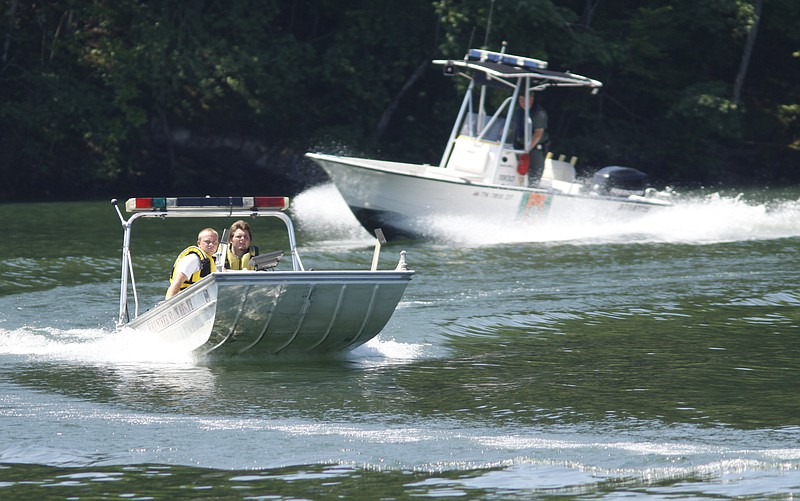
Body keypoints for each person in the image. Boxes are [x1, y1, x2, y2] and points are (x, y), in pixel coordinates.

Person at [165, 228, 219, 299]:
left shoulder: (214, 260)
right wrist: (169, 303)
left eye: (214, 242)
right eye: (207, 242)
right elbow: (177, 281)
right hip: (185, 301)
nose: (211, 245)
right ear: (199, 243)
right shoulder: (193, 259)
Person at [515, 92, 549, 187]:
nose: (522, 102)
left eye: (524, 99)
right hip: (520, 147)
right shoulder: (519, 111)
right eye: (520, 99)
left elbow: (538, 133)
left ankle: (532, 192)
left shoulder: (539, 113)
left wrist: (527, 150)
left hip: (534, 149)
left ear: (531, 99)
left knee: (533, 179)